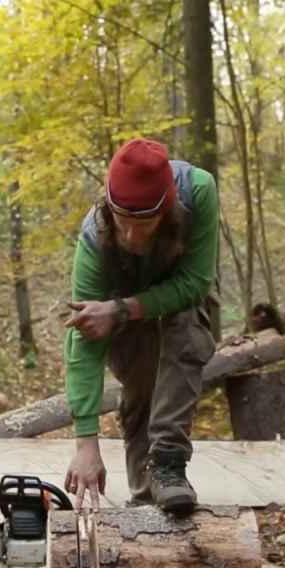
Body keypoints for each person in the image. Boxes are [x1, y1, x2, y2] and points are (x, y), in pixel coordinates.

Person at [62, 138, 219, 514]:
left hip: (182, 308)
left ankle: (167, 465)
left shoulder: (198, 192)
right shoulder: (93, 241)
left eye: (144, 224)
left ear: (165, 211)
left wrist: (121, 308)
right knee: (140, 390)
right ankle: (147, 500)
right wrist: (86, 444)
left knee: (184, 322)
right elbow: (84, 343)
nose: (132, 236)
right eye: (123, 223)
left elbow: (196, 284)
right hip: (125, 326)